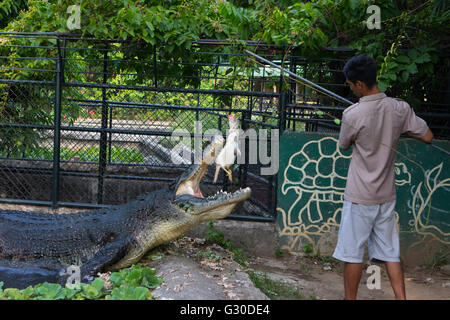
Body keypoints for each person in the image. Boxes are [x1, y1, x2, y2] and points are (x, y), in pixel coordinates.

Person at [332, 54, 434, 300]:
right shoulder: (399, 108)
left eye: (350, 84)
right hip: (386, 196)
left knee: (352, 253)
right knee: (390, 252)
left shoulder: (352, 114)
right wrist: (397, 131)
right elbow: (428, 136)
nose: (351, 89)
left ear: (359, 84)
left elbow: (344, 145)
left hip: (359, 196)